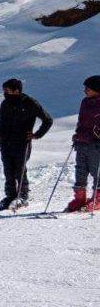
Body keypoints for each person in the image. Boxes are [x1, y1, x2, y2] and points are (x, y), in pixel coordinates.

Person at [0, 78, 53, 210]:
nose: (5, 93)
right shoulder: (5, 104)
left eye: (7, 91)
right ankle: (10, 195)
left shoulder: (30, 103)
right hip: (6, 142)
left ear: (17, 91)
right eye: (4, 91)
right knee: (8, 170)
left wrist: (36, 135)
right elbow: (2, 121)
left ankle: (23, 195)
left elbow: (48, 120)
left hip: (22, 142)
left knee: (19, 169)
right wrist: (1, 136)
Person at [65, 76, 100, 212]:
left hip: (96, 143)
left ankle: (97, 198)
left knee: (96, 170)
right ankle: (80, 198)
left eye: (88, 88)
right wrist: (77, 134)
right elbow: (81, 120)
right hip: (82, 141)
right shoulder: (85, 102)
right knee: (80, 170)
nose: (85, 91)